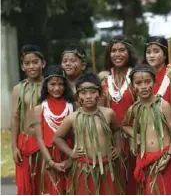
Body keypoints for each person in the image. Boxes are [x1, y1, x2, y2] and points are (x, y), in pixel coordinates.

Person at [54, 73, 124, 195]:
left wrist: (118, 148)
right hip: (83, 169)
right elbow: (57, 137)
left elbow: (117, 130)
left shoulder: (108, 113)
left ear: (99, 93)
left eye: (92, 92)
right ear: (77, 96)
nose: (88, 96)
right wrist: (71, 153)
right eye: (84, 93)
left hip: (107, 167)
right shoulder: (73, 118)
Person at [122, 64, 171, 194]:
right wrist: (135, 135)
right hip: (145, 160)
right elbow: (123, 126)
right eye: (138, 83)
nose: (143, 86)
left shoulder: (163, 105)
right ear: (132, 86)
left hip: (163, 158)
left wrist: (168, 156)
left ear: (154, 83)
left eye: (147, 82)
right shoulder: (134, 109)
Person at [98, 35, 138, 194]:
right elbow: (98, 111)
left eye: (122, 50)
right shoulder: (103, 78)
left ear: (129, 53)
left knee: (134, 183)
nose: (117, 54)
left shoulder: (136, 76)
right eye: (113, 50)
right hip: (111, 140)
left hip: (134, 139)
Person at [31, 65, 75, 194]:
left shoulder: (72, 106)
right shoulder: (39, 109)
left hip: (70, 155)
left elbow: (78, 135)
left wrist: (71, 159)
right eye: (52, 84)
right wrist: (51, 162)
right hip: (49, 157)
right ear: (46, 85)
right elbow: (39, 139)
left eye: (61, 84)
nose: (57, 88)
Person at [10, 44, 46, 194]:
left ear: (43, 63)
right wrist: (14, 147)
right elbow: (15, 118)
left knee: (46, 185)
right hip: (25, 142)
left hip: (47, 143)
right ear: (22, 66)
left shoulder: (52, 85)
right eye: (27, 63)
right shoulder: (19, 88)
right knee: (27, 187)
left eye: (35, 62)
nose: (31, 66)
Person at [143, 36, 171, 111]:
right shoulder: (143, 76)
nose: (151, 55)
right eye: (148, 52)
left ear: (165, 55)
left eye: (156, 51)